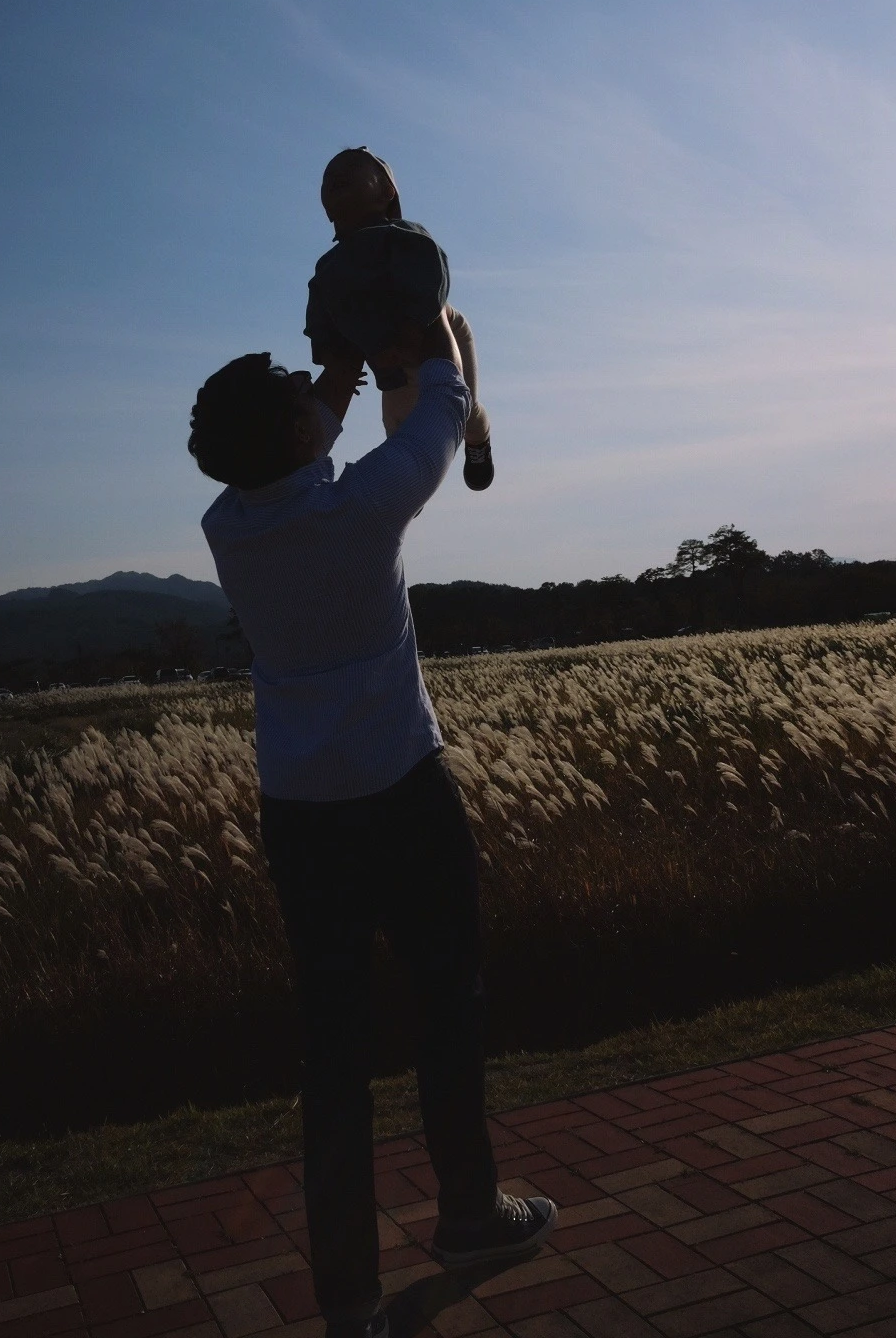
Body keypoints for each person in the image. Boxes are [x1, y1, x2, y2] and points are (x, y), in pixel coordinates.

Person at [188, 316, 555, 1338]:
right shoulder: (365, 508)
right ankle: (471, 1212)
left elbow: (294, 446)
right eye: (301, 403)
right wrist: (425, 314)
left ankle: (348, 1299)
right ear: (297, 435)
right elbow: (444, 402)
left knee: (334, 1055)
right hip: (401, 792)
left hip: (302, 817)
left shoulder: (229, 526)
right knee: (449, 1008)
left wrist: (338, 373)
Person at [305, 145, 494, 491]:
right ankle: (405, 486)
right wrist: (330, 355)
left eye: (350, 169)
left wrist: (411, 327)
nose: (335, 176)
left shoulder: (402, 237)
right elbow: (321, 315)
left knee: (463, 408)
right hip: (393, 364)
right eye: (328, 177)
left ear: (386, 192)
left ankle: (479, 441)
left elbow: (431, 275)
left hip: (442, 331)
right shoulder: (329, 267)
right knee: (398, 428)